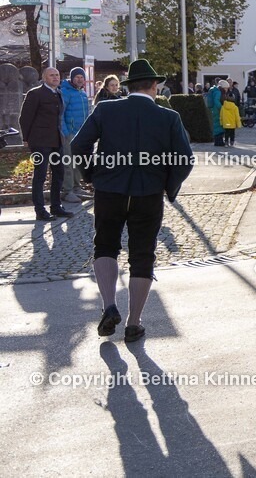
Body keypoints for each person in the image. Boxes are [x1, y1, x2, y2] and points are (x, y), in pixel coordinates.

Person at [71, 59, 194, 342]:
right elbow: (185, 160)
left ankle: (108, 305)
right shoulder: (168, 117)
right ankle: (134, 322)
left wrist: (91, 174)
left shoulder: (105, 109)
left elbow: (78, 145)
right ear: (154, 86)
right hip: (148, 193)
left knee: (105, 246)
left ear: (128, 87)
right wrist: (168, 185)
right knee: (142, 255)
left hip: (109, 190)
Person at [19, 67, 73, 221]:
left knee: (59, 173)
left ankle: (56, 206)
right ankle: (40, 210)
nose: (55, 77)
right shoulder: (35, 93)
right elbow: (25, 117)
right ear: (44, 78)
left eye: (57, 75)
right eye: (52, 75)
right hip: (39, 141)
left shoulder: (58, 93)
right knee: (40, 175)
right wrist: (26, 139)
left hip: (56, 140)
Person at [60, 67, 91, 203]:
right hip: (69, 133)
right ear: (72, 78)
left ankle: (77, 187)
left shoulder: (83, 93)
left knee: (78, 161)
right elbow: (60, 114)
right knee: (68, 162)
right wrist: (65, 132)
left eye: (82, 77)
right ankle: (67, 191)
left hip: (81, 133)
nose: (79, 79)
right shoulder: (65, 92)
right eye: (77, 77)